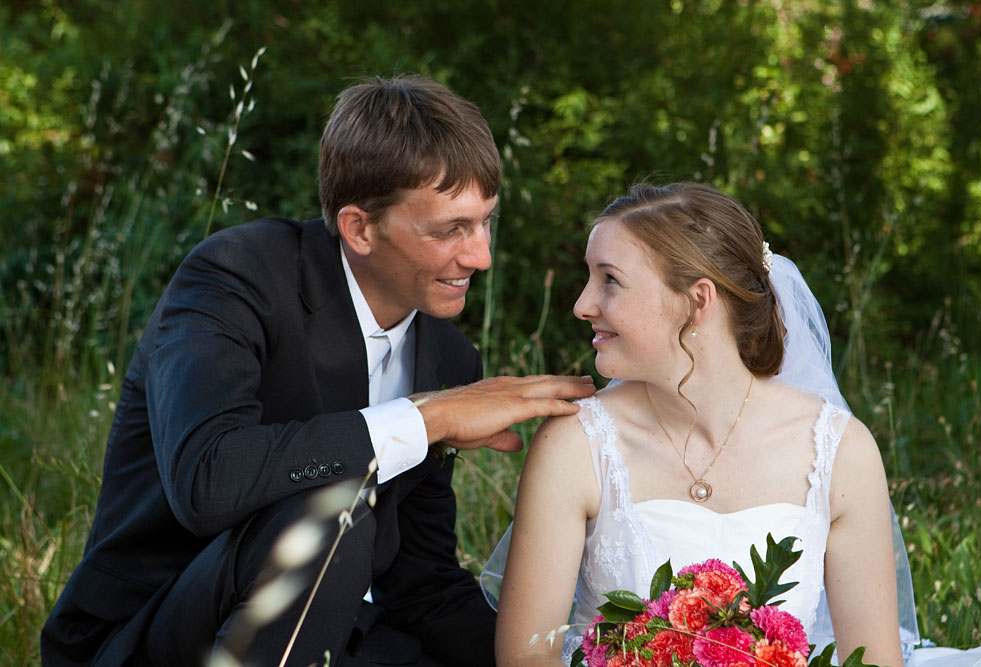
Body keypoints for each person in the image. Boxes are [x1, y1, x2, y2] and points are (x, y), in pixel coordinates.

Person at [41, 74, 595, 667]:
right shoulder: (236, 275)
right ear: (359, 227)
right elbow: (205, 480)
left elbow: (420, 584)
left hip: (339, 633)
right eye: (449, 230)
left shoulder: (451, 357)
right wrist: (424, 417)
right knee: (332, 510)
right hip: (158, 630)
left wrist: (564, 659)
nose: (479, 255)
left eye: (486, 221)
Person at [493, 182, 907, 666]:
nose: (582, 305)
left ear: (697, 301)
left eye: (610, 280)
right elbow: (526, 658)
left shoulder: (839, 451)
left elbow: (873, 660)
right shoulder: (574, 444)